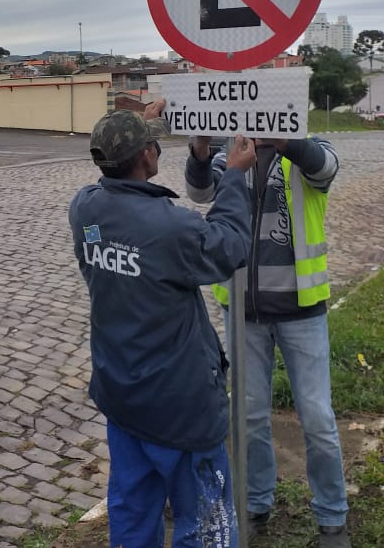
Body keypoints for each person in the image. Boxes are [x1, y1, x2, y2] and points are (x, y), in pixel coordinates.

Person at [69, 100, 256, 548]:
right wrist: (233, 176)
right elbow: (228, 246)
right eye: (152, 144)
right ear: (148, 157)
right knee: (206, 525)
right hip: (181, 408)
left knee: (133, 512)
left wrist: (140, 117)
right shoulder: (169, 227)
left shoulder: (85, 208)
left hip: (124, 397)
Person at [185, 134, 351, 548]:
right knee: (250, 416)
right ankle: (256, 503)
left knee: (316, 416)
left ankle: (332, 517)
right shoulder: (233, 150)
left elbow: (325, 168)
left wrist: (285, 140)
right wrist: (201, 152)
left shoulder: (308, 148)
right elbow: (200, 191)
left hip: (301, 309)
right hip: (243, 311)